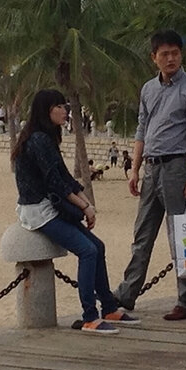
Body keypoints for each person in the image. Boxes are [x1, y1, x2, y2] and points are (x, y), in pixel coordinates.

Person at [13, 88, 130, 330]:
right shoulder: (38, 140)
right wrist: (85, 206)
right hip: (38, 210)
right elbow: (54, 182)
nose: (65, 110)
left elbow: (64, 177)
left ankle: (108, 307)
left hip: (50, 206)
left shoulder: (46, 138)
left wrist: (86, 201)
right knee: (87, 250)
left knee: (98, 246)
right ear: (47, 111)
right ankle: (90, 316)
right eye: (60, 106)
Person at [119, 29, 186, 320]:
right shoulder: (148, 89)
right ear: (154, 58)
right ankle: (127, 293)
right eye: (164, 54)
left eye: (175, 53)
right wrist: (134, 169)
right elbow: (141, 129)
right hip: (151, 167)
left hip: (176, 167)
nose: (170, 58)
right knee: (142, 233)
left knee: (181, 236)